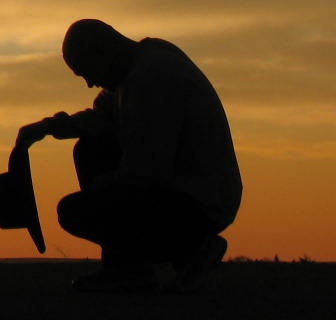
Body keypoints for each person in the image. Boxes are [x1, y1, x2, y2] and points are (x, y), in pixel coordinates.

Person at [16, 18, 242, 293]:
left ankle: (188, 249)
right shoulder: (139, 69)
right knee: (91, 148)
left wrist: (105, 186)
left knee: (76, 211)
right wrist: (50, 127)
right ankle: (129, 266)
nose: (89, 83)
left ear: (103, 52)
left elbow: (148, 170)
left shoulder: (153, 80)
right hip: (188, 193)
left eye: (87, 72)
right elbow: (102, 118)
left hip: (197, 201)